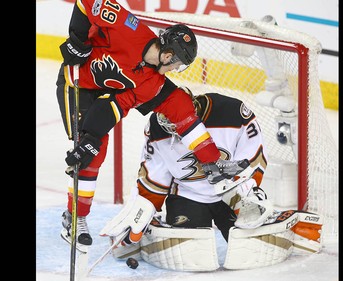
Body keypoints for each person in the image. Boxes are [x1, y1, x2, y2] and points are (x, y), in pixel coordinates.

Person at [57, 1, 249, 252]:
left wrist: (211, 159)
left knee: (95, 147)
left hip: (105, 93)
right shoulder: (129, 28)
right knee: (89, 155)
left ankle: (212, 160)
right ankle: (74, 219)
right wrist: (78, 39)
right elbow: (86, 3)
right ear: (168, 55)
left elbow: (119, 106)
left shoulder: (150, 82)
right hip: (77, 84)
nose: (176, 69)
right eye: (177, 64)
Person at [100, 87, 270, 259]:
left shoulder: (229, 110)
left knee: (250, 251)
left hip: (231, 193)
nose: (173, 128)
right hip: (187, 196)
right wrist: (142, 210)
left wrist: (244, 185)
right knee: (190, 255)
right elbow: (155, 174)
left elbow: (254, 151)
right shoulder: (156, 127)